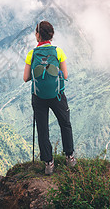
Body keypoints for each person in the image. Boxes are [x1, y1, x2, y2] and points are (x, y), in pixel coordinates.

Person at [23, 21, 76, 175]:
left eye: (35, 32)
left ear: (38, 35)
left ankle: (48, 163)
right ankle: (70, 157)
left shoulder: (32, 54)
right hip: (57, 95)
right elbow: (65, 75)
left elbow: (26, 78)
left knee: (42, 128)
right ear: (51, 35)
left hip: (38, 96)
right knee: (65, 123)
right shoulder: (58, 52)